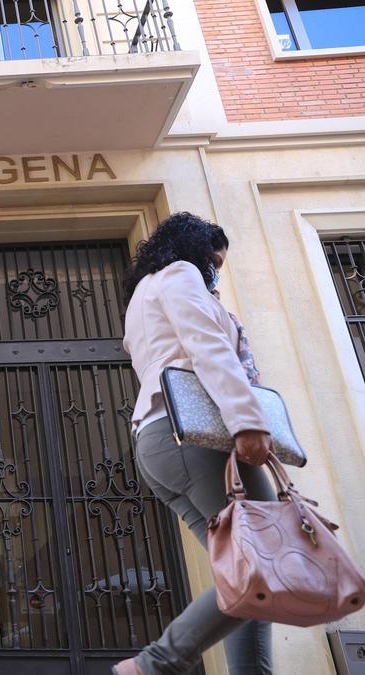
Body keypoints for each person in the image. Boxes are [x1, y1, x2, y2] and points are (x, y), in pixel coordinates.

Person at [114, 212, 276, 675]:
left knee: (244, 580)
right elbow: (207, 345)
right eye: (213, 261)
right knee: (261, 562)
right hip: (196, 439)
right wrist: (247, 420)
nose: (214, 273)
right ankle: (153, 664)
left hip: (157, 444)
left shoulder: (142, 296)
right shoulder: (181, 276)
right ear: (191, 250)